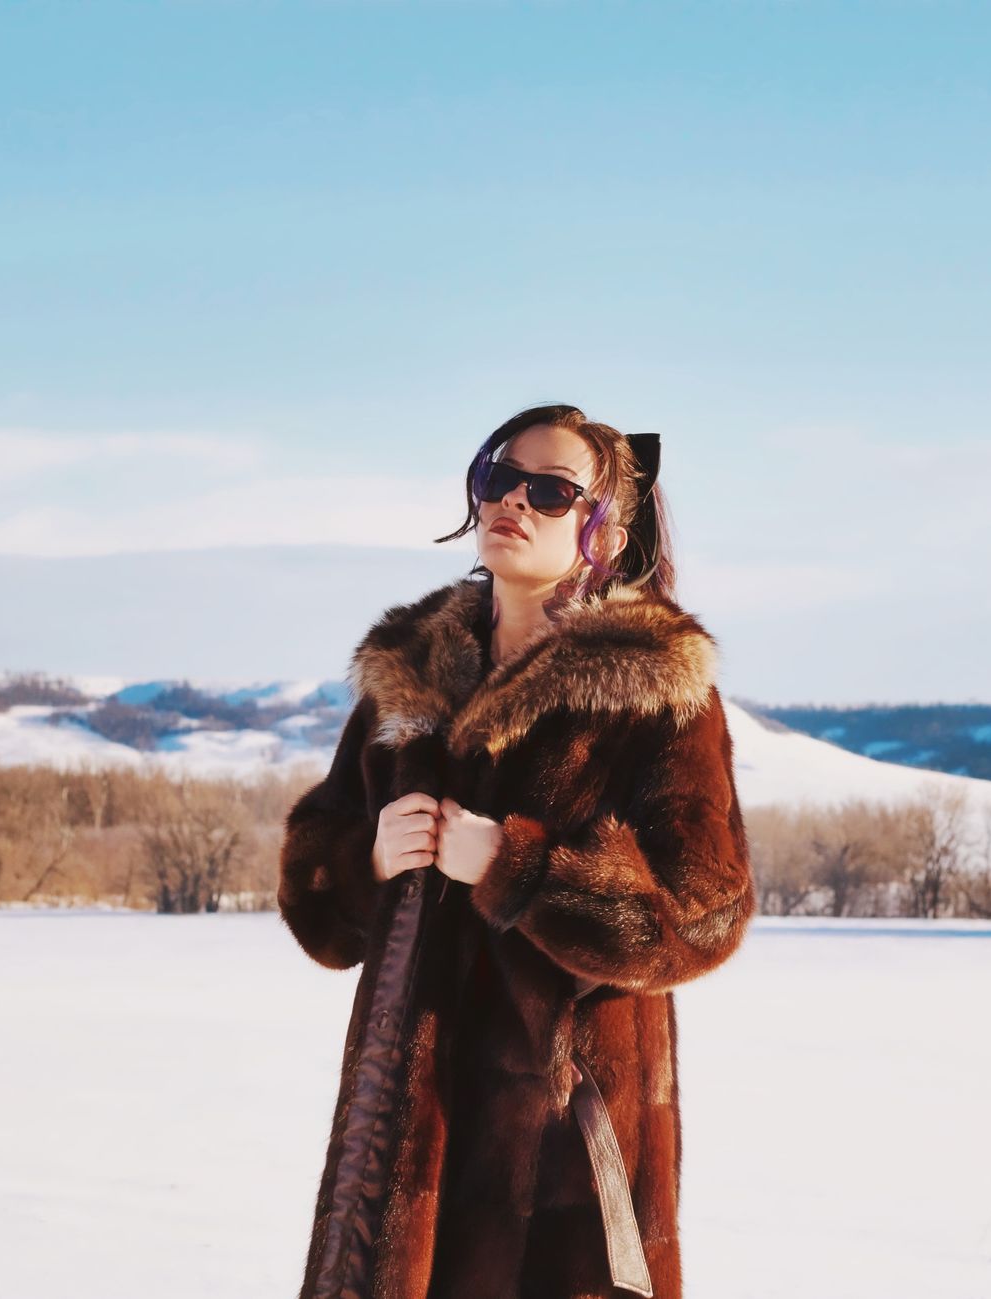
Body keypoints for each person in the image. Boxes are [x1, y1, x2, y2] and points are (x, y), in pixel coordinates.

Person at [277, 403, 756, 1299]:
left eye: (550, 490)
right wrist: (367, 863)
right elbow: (319, 910)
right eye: (500, 477)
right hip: (403, 1137)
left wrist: (517, 868)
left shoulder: (653, 689)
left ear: (600, 530)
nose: (515, 502)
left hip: (566, 1150)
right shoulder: (408, 674)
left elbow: (703, 914)